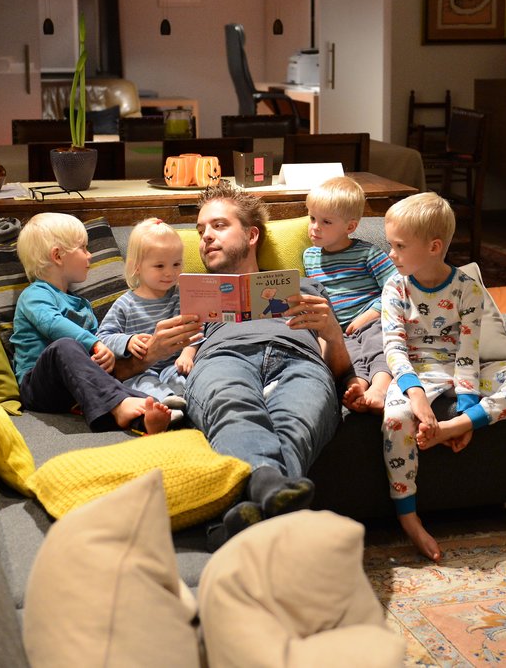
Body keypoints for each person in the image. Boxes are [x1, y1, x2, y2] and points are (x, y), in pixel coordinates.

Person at [113, 180, 353, 548]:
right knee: (234, 405)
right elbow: (114, 373)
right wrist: (155, 352)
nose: (206, 236)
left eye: (219, 225)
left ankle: (242, 515)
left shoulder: (307, 287)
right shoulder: (187, 297)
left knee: (299, 421)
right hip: (223, 358)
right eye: (201, 230)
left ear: (252, 234)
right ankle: (269, 494)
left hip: (299, 360)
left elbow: (338, 372)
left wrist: (334, 336)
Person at [380, 192, 506, 561]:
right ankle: (408, 517)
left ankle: (452, 428)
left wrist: (465, 414)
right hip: (417, 372)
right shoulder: (395, 286)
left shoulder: (467, 289)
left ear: (433, 247)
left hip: (462, 370)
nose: (390, 253)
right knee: (395, 420)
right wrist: (417, 397)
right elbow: (394, 349)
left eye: (398, 245)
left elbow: (467, 351)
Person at [11, 212, 172, 435]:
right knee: (64, 345)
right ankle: (120, 404)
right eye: (83, 248)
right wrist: (95, 344)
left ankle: (144, 419)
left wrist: (107, 356)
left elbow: (97, 347)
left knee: (120, 384)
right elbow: (52, 324)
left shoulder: (82, 304)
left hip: (76, 388)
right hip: (38, 388)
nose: (90, 255)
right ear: (57, 256)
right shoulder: (34, 295)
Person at [302, 175, 397, 414]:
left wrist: (369, 315)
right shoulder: (309, 256)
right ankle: (358, 387)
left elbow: (398, 288)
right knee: (346, 353)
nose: (314, 227)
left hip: (371, 319)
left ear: (350, 227)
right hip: (338, 331)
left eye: (325, 222)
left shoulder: (368, 253)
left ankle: (381, 386)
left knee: (377, 342)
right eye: (312, 218)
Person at [96, 218, 195, 409]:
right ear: (137, 266)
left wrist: (188, 354)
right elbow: (102, 337)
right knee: (141, 384)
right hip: (139, 371)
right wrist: (127, 341)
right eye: (160, 266)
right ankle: (166, 406)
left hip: (173, 367)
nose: (170, 273)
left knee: (187, 380)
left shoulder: (181, 296)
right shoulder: (125, 304)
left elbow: (197, 330)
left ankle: (181, 403)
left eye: (176, 264)